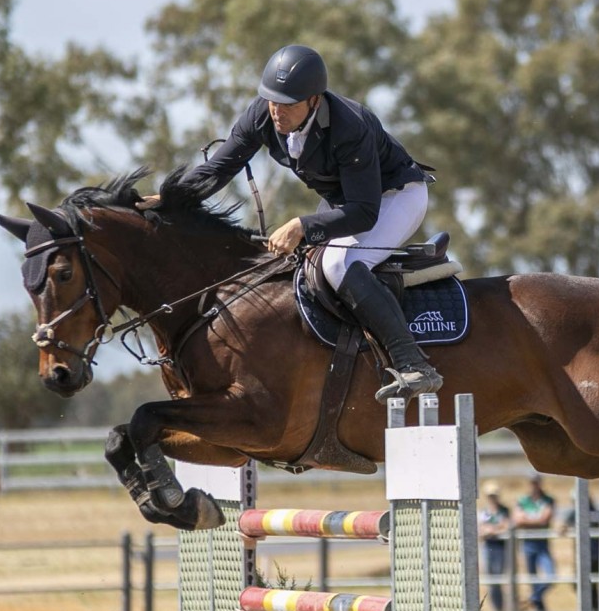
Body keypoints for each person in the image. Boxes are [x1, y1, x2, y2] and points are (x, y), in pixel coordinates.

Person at [181, 44, 441, 403]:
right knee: (295, 266)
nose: (276, 110)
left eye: (288, 103)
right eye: (272, 99)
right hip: (344, 200)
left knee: (340, 263)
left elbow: (364, 213)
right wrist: (170, 199)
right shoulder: (263, 113)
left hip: (393, 196)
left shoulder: (351, 126)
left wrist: (302, 225)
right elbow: (220, 167)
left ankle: (413, 363)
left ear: (314, 101)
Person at [512, 473, 555, 611]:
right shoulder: (523, 500)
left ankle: (532, 599)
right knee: (532, 578)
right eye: (532, 483)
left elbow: (545, 519)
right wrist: (535, 520)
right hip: (528, 543)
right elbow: (518, 520)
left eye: (536, 482)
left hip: (542, 543)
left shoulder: (547, 500)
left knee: (550, 576)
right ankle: (540, 610)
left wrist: (527, 520)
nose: (534, 485)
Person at [558, 489, 599, 611]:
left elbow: (563, 526)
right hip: (585, 553)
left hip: (592, 553)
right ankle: (592, 608)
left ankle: (593, 608)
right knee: (584, 582)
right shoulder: (581, 511)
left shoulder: (589, 511)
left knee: (588, 582)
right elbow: (563, 525)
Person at [478, 480, 512, 611]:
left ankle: (502, 607)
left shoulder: (504, 511)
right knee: (491, 578)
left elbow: (507, 525)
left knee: (499, 576)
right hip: (488, 546)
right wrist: (495, 529)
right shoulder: (484, 512)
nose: (492, 498)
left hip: (501, 546)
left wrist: (492, 530)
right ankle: (497, 609)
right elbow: (481, 529)